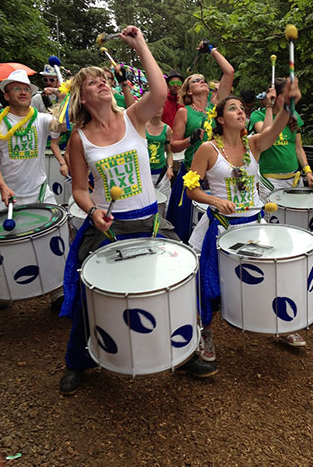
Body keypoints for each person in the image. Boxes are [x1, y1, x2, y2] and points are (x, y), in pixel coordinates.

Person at [59, 26, 217, 395]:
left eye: (103, 79)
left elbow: (161, 91)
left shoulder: (133, 118)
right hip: (109, 226)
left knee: (179, 279)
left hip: (150, 219)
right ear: (80, 97)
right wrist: (92, 211)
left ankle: (187, 346)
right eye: (92, 82)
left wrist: (140, 43)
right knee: (90, 293)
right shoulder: (79, 140)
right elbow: (80, 190)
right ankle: (78, 360)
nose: (101, 83)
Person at [186, 79, 305, 360]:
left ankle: (280, 325)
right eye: (233, 108)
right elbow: (191, 188)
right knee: (210, 283)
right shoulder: (207, 150)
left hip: (254, 224)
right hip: (221, 227)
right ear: (219, 118)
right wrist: (214, 200)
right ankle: (204, 331)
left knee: (270, 276)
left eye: (242, 109)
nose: (241, 112)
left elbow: (276, 128)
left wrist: (288, 103)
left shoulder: (253, 144)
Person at [0, 69, 68, 310]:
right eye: (16, 88)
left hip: (40, 192)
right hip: (8, 194)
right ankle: (4, 292)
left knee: (52, 242)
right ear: (6, 95)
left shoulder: (42, 119)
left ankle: (56, 291)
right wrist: (2, 186)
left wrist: (63, 97)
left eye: (26, 88)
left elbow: (65, 124)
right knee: (4, 245)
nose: (23, 92)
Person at [167, 40, 234, 242]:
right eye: (196, 80)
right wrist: (190, 139)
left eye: (203, 79)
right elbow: (173, 145)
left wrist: (212, 50)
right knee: (185, 229)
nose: (202, 81)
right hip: (193, 176)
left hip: (216, 176)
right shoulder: (183, 112)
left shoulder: (216, 108)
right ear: (188, 91)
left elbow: (229, 72)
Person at [250, 78, 313, 203]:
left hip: (294, 178)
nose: (289, 99)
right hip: (270, 180)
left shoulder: (294, 115)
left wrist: (308, 171)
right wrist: (269, 106)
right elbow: (266, 135)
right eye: (286, 96)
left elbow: (298, 148)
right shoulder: (258, 115)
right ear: (275, 97)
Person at [146, 108, 174, 207]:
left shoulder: (167, 129)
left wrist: (170, 167)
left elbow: (169, 152)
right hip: (145, 173)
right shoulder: (142, 127)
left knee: (164, 205)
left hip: (161, 174)